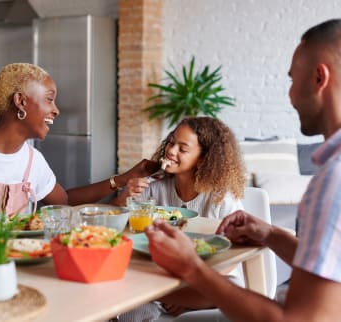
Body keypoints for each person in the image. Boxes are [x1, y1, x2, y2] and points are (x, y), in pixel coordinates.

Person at [145, 18, 341, 321]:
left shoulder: (333, 180)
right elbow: (332, 263)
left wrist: (192, 268)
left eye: (292, 79)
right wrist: (270, 234)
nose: (290, 95)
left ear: (319, 78)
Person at [0, 63, 156, 222]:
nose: (56, 110)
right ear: (21, 102)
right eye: (49, 99)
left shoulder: (31, 159)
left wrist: (121, 180)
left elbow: (64, 202)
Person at [115, 116, 247, 320]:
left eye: (183, 149)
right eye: (171, 141)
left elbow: (235, 257)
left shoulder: (221, 199)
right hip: (158, 279)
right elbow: (118, 228)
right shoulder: (152, 187)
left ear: (203, 158)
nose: (171, 150)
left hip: (208, 283)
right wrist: (125, 196)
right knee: (125, 303)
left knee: (231, 290)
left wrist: (189, 289)